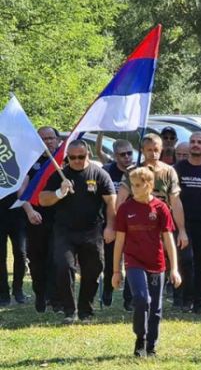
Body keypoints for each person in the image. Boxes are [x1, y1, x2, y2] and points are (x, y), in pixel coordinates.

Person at [40, 140, 116, 323]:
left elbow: (111, 202)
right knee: (63, 267)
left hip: (92, 230)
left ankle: (86, 311)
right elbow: (43, 199)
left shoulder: (99, 174)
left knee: (93, 269)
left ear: (88, 154)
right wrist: (59, 193)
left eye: (81, 157)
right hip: (65, 231)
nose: (76, 161)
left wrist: (111, 226)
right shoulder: (61, 174)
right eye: (72, 157)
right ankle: (69, 311)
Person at [112, 167, 181, 357]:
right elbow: (119, 241)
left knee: (156, 307)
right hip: (133, 261)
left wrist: (174, 269)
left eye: (137, 185)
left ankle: (151, 346)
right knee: (142, 299)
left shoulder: (161, 208)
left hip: (156, 262)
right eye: (132, 185)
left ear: (149, 185)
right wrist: (116, 271)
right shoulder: (125, 208)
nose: (133, 189)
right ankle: (140, 338)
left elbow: (168, 240)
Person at [173, 132, 201, 314]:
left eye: (200, 142)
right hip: (183, 222)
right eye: (193, 142)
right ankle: (186, 299)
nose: (196, 145)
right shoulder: (178, 169)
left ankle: (200, 302)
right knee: (186, 261)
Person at [26, 126, 60, 312]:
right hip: (36, 217)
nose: (48, 142)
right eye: (44, 138)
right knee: (37, 259)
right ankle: (40, 294)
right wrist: (29, 211)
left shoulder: (64, 160)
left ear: (57, 139)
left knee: (57, 258)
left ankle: (55, 298)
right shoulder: (29, 161)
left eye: (51, 138)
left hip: (59, 218)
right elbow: (21, 190)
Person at [102, 139, 134, 307]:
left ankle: (129, 298)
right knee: (110, 260)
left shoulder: (137, 172)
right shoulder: (106, 172)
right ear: (115, 156)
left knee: (132, 260)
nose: (127, 157)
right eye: (123, 154)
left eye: (130, 153)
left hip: (133, 223)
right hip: (112, 222)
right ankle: (108, 289)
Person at [0, 189, 28, 306]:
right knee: (1, 256)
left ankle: (18, 289)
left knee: (21, 253)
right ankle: (3, 293)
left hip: (18, 215)